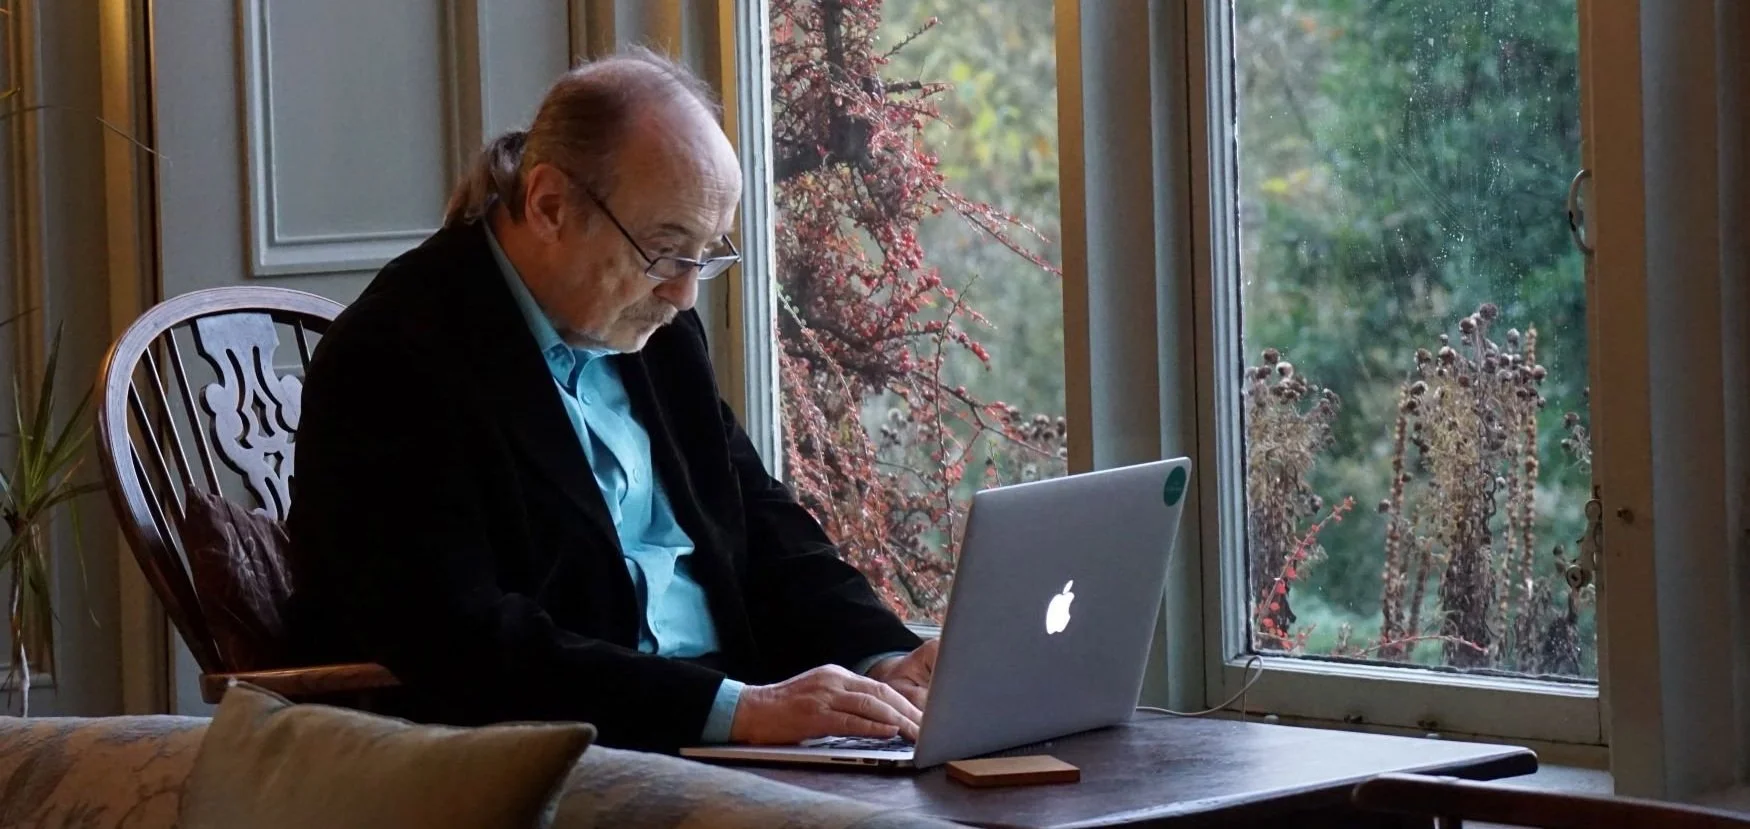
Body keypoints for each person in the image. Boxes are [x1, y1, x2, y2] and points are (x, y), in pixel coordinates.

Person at [285, 49, 939, 754]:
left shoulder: (654, 326)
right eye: (664, 251)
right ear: (550, 206)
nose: (685, 293)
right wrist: (737, 710)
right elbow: (464, 641)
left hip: (730, 729)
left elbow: (756, 518)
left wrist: (885, 655)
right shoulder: (393, 358)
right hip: (567, 752)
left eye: (703, 255)